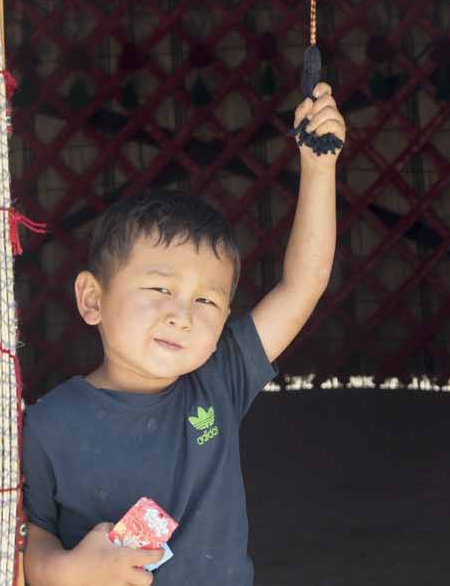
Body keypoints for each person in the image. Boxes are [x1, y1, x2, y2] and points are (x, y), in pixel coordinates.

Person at [21, 84, 346, 586]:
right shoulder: (48, 425)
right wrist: (68, 569)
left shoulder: (219, 382)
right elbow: (31, 538)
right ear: (92, 300)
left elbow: (304, 284)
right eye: (159, 289)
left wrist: (319, 167)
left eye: (207, 301)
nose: (182, 316)